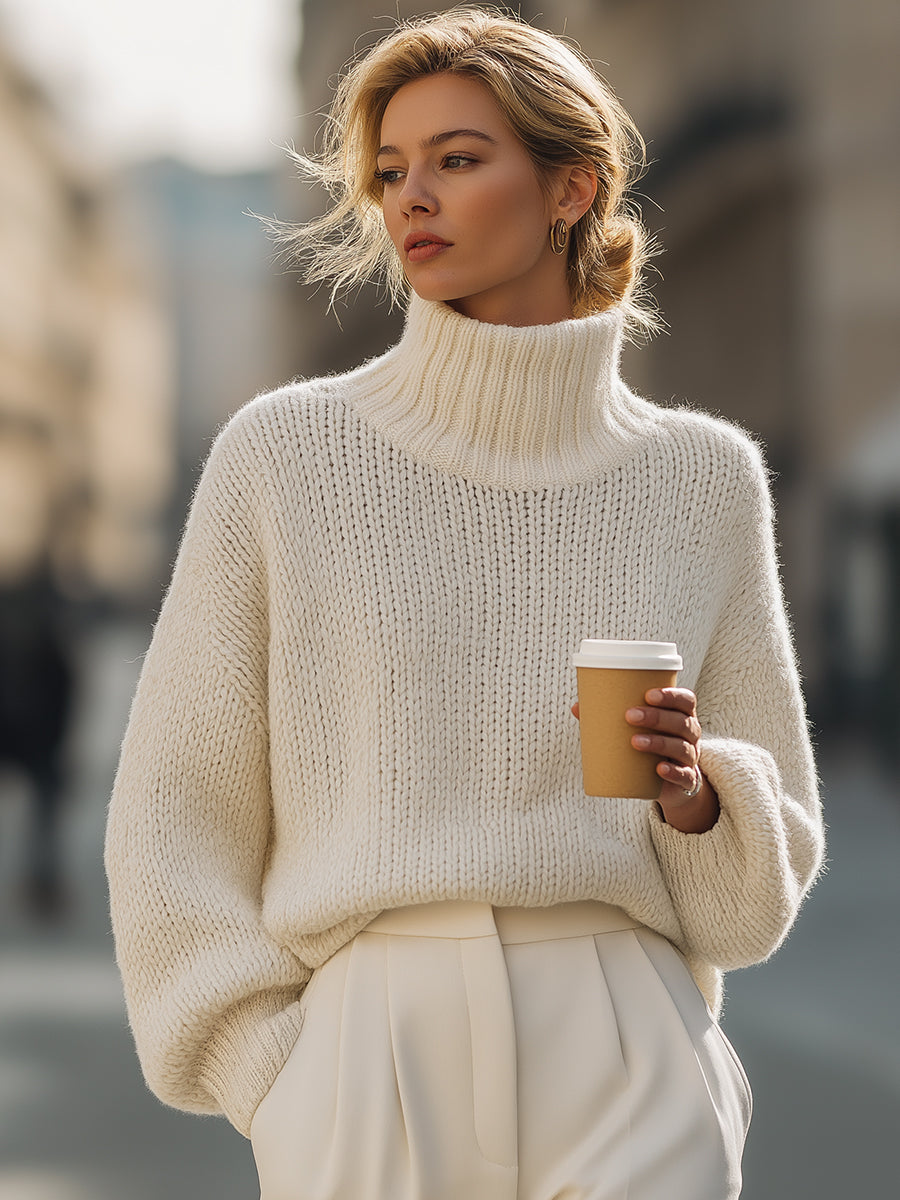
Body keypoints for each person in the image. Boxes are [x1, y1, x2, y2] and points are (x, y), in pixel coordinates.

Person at [105, 8, 825, 1199]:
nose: (412, 200)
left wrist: (698, 799)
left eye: (457, 159)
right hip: (365, 1058)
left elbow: (760, 882)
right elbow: (172, 815)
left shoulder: (702, 478)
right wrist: (274, 1076)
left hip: (629, 1044)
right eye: (391, 171)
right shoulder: (286, 458)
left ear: (568, 189)